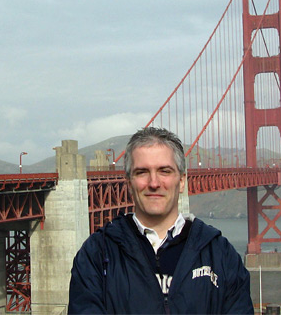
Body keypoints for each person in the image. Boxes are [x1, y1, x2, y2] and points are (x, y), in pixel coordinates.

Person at [68, 127, 253, 314]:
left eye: (164, 171)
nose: (154, 183)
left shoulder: (221, 254)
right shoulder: (96, 254)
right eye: (142, 172)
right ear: (129, 184)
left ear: (181, 181)